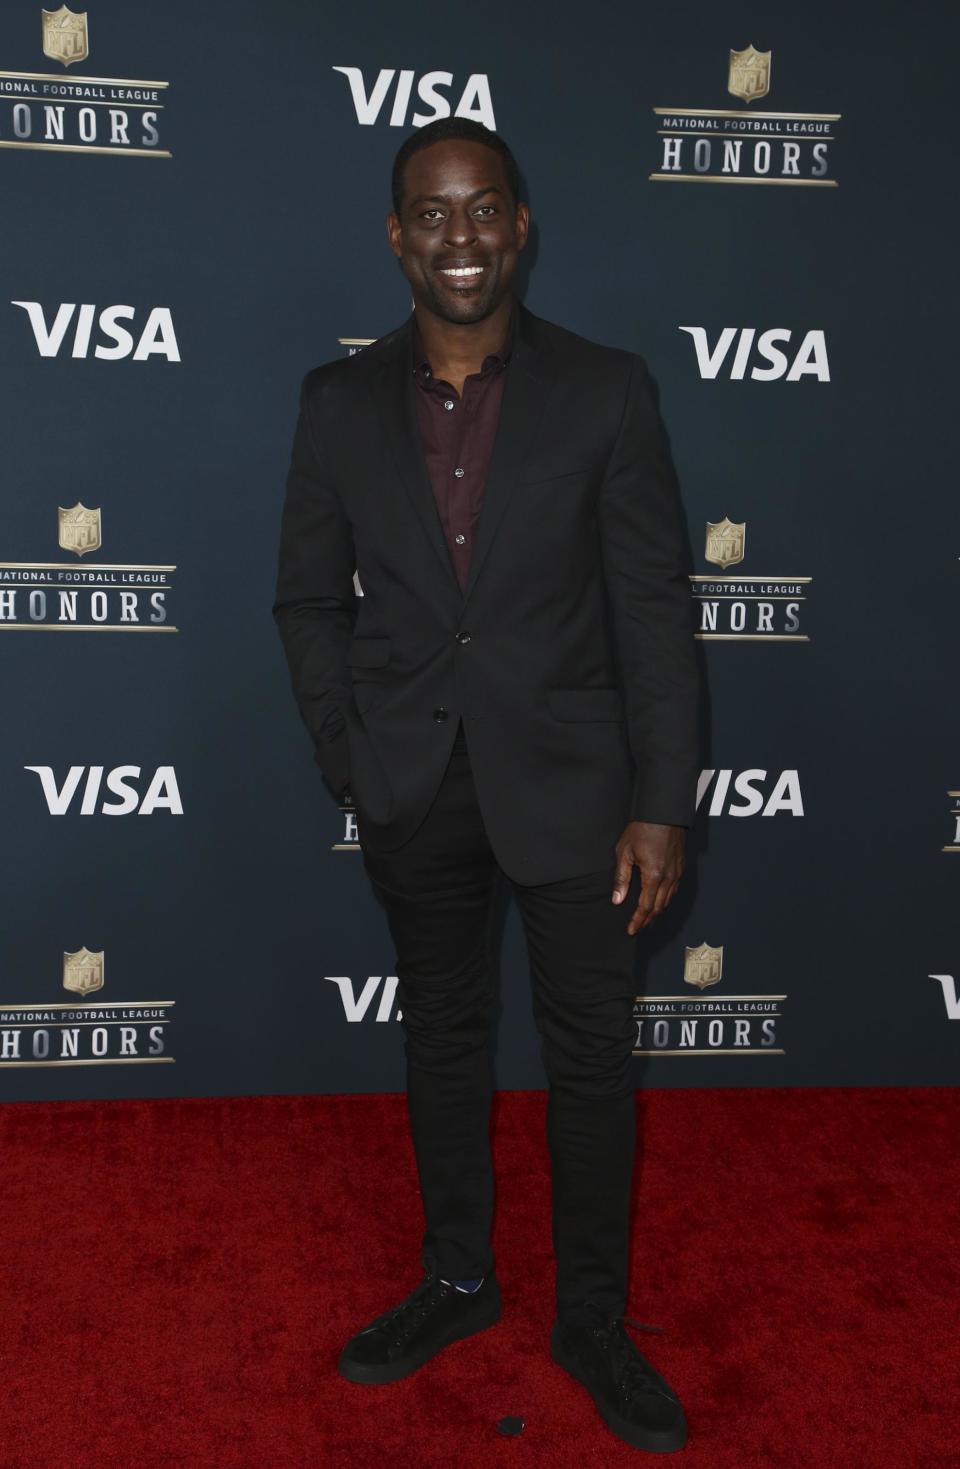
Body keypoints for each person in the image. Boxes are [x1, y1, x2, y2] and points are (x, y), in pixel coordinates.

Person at [272, 116, 700, 1454]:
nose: (459, 235)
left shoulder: (609, 389)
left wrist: (662, 798)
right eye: (431, 212)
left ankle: (592, 1323)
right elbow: (305, 602)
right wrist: (353, 755)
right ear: (399, 237)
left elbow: (653, 611)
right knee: (443, 1045)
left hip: (579, 791)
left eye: (483, 207)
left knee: (591, 1064)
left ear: (521, 225)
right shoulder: (335, 404)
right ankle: (457, 1281)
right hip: (414, 788)